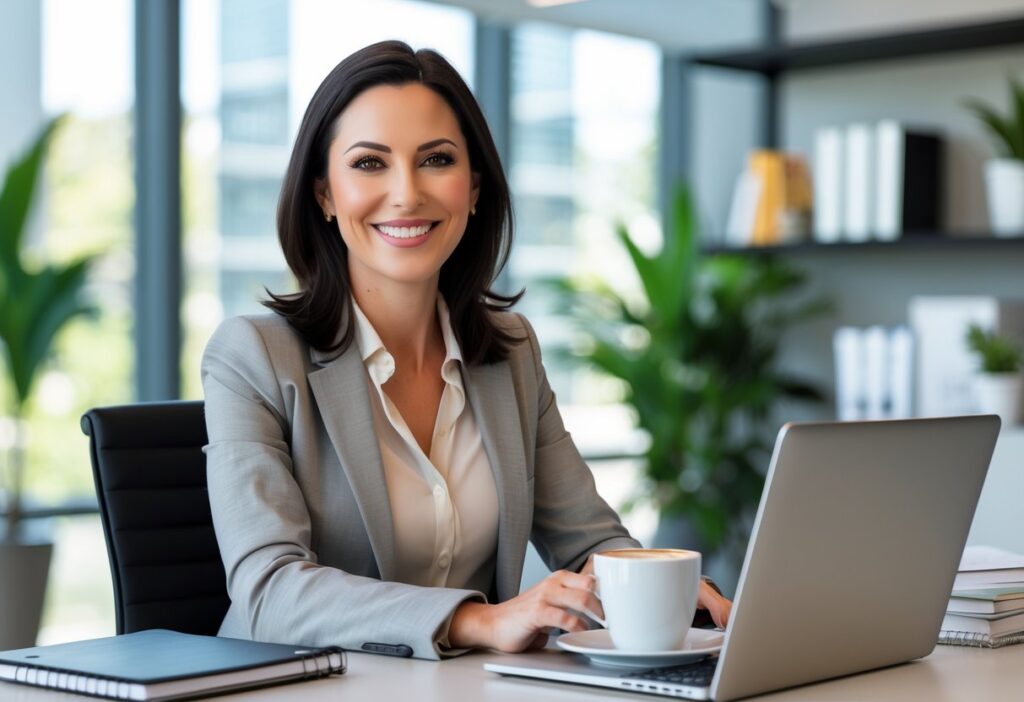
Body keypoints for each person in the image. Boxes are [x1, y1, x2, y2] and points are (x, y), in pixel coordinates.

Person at [201, 39, 732, 661]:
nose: (406, 194)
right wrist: (478, 621)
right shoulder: (253, 355)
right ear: (324, 195)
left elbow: (589, 540)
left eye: (436, 160)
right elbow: (269, 590)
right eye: (370, 163)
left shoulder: (510, 352)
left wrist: (666, 588)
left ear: (473, 188)